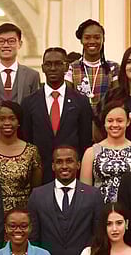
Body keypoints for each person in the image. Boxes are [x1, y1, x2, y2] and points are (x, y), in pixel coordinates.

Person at [28, 146, 104, 255]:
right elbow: (33, 238)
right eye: (59, 162)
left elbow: (98, 235)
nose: (64, 166)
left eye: (69, 161)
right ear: (52, 166)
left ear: (78, 164)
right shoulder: (37, 196)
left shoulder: (93, 195)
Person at [21, 47, 94, 183]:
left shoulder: (81, 101)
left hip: (72, 175)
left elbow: (85, 141)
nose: (53, 68)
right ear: (42, 68)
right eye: (48, 64)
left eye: (58, 64)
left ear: (66, 66)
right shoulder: (29, 102)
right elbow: (27, 140)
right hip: (39, 177)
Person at [0, 101, 42, 212]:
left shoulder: (31, 151)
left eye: (12, 118)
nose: (7, 123)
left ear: (19, 122)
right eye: (2, 119)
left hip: (23, 215)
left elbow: (36, 189)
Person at [80, 101, 131, 203]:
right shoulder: (91, 152)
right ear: (104, 123)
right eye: (110, 121)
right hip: (100, 210)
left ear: (128, 122)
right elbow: (85, 192)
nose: (114, 125)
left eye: (119, 121)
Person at [0, 23, 41, 106]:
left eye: (11, 41)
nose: (6, 45)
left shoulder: (32, 76)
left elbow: (36, 107)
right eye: (1, 41)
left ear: (20, 44)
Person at [64, 19, 119, 112]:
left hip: (106, 122)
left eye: (97, 37)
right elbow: (68, 99)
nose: (92, 41)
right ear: (81, 40)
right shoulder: (72, 68)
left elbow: (117, 99)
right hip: (79, 121)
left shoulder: (113, 68)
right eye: (87, 37)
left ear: (103, 39)